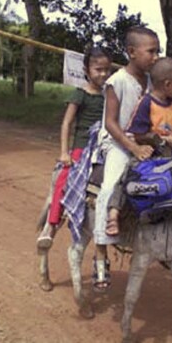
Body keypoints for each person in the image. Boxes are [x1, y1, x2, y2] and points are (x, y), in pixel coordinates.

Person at [92, 26, 159, 290]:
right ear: (132, 52)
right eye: (151, 51)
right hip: (118, 143)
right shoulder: (117, 81)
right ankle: (100, 254)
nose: (155, 57)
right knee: (109, 188)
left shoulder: (153, 82)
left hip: (144, 141)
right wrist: (133, 148)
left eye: (158, 52)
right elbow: (110, 123)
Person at [37, 46, 112, 250]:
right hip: (82, 147)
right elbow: (67, 124)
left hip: (105, 148)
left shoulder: (110, 95)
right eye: (98, 69)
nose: (103, 74)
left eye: (107, 69)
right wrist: (64, 152)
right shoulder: (80, 94)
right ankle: (51, 226)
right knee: (65, 178)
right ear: (87, 71)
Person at [105, 58, 172, 235]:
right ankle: (113, 212)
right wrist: (165, 140)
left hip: (170, 157)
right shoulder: (146, 103)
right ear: (167, 84)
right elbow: (137, 133)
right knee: (127, 174)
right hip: (150, 154)